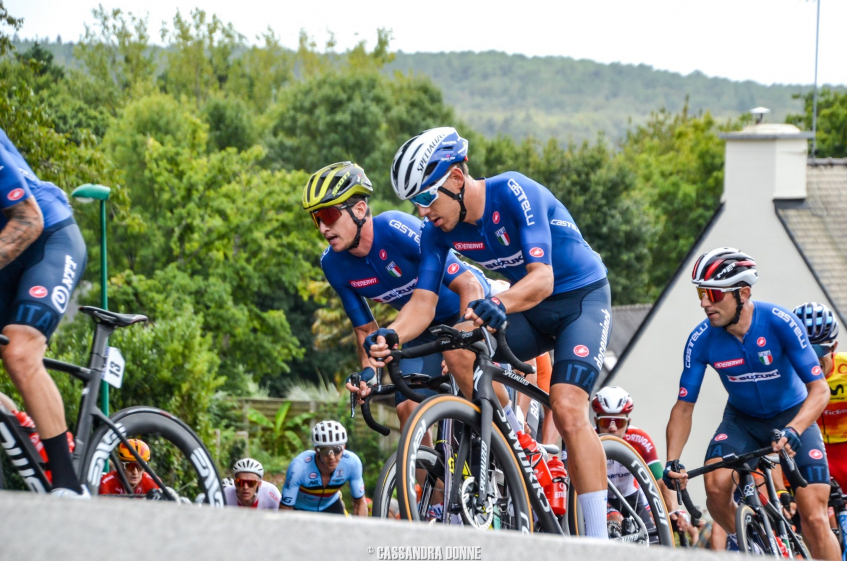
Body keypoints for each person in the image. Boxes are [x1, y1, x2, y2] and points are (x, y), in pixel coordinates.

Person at [370, 127, 612, 539]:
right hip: (528, 308)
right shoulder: (437, 231)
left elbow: (544, 279)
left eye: (427, 197)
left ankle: (599, 540)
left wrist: (497, 304)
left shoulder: (515, 191)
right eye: (415, 202)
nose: (422, 211)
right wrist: (392, 334)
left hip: (579, 300)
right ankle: (513, 437)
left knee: (569, 408)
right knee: (457, 345)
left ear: (458, 178)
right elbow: (424, 303)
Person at [302, 161, 523, 435]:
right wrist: (369, 374)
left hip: (469, 308)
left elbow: (468, 283)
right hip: (420, 327)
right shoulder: (333, 264)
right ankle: (427, 476)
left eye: (329, 215)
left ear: (359, 209)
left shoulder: (395, 227)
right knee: (408, 410)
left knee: (473, 392)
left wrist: (464, 337)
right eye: (317, 219)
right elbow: (365, 329)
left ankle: (516, 437)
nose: (323, 228)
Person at [664, 247, 838, 560]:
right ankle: (757, 547)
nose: (705, 303)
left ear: (743, 293)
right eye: (701, 293)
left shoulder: (780, 322)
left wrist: (795, 429)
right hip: (741, 421)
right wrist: (673, 460)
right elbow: (684, 407)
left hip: (793, 417)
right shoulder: (701, 339)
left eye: (713, 294)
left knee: (813, 517)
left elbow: (819, 390)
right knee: (715, 488)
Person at [0, 129, 87, 497]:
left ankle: (69, 486)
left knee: (19, 352)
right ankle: (22, 430)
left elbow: (28, 220)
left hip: (47, 238)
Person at [592, 386, 696, 542]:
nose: (612, 428)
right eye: (606, 421)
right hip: (600, 498)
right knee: (614, 531)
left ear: (628, 422)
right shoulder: (587, 440)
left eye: (619, 422)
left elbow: (660, 480)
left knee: (653, 543)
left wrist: (673, 511)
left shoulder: (639, 439)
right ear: (595, 421)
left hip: (632, 498)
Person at [793, 302, 847, 490]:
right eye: (804, 351)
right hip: (810, 452)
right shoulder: (787, 376)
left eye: (819, 350)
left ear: (834, 347)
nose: (812, 359)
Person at [281, 420, 367, 515]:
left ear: (344, 448)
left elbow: (359, 503)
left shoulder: (352, 463)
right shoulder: (299, 467)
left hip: (330, 506)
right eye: (325, 451)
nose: (332, 457)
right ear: (316, 451)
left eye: (337, 450)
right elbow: (286, 508)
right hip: (300, 509)